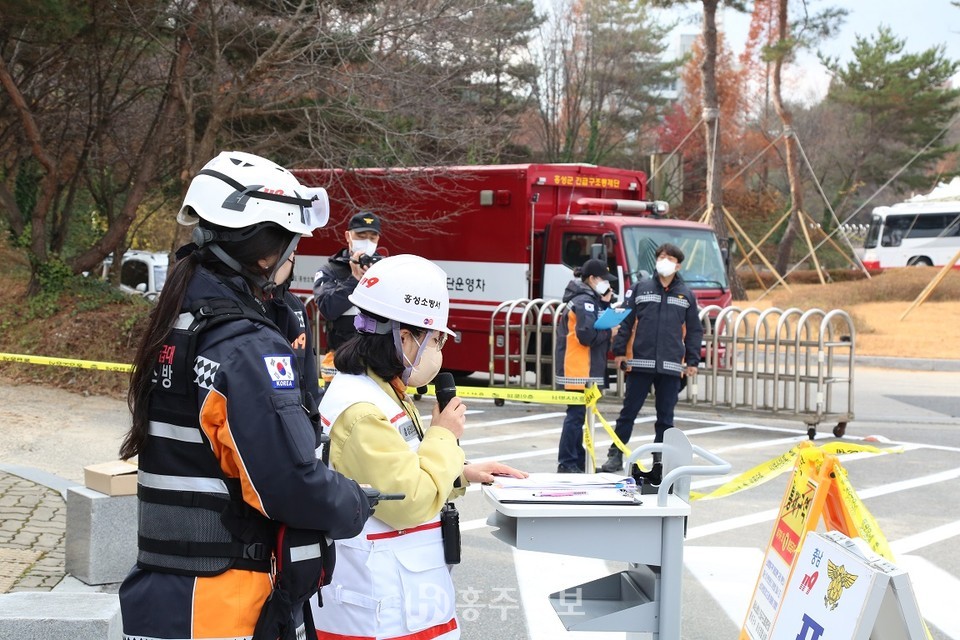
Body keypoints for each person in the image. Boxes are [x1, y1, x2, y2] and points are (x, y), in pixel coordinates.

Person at [117, 151, 373, 640]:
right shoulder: (246, 349)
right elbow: (291, 484)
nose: (294, 259)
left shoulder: (179, 321)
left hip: (165, 593)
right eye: (292, 245)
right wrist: (353, 501)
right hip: (223, 603)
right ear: (265, 254)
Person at [310, 253, 527, 640]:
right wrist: (443, 434)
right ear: (403, 336)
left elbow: (403, 467)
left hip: (401, 600)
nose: (440, 351)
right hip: (380, 611)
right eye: (436, 339)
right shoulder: (361, 410)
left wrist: (462, 473)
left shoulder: (383, 390)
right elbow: (407, 499)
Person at [601, 243, 703, 480]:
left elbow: (695, 331)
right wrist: (619, 352)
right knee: (628, 412)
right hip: (641, 363)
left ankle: (660, 459)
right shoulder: (641, 288)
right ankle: (615, 454)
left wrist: (693, 360)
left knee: (665, 418)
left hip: (670, 366)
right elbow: (625, 320)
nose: (663, 261)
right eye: (660, 257)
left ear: (678, 265)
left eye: (668, 258)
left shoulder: (686, 295)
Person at [555, 258, 617, 473]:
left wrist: (606, 304)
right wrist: (609, 331)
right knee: (575, 417)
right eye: (603, 279)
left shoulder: (587, 299)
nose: (607, 284)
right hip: (579, 368)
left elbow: (593, 324)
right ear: (592, 279)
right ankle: (568, 462)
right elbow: (587, 335)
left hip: (583, 367)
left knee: (580, 417)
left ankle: (577, 461)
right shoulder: (584, 301)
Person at [313, 211, 385, 381]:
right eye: (361, 235)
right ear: (348, 236)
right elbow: (327, 308)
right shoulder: (330, 270)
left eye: (372, 237)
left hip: (379, 359)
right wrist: (355, 280)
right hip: (341, 358)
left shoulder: (385, 269)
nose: (367, 241)